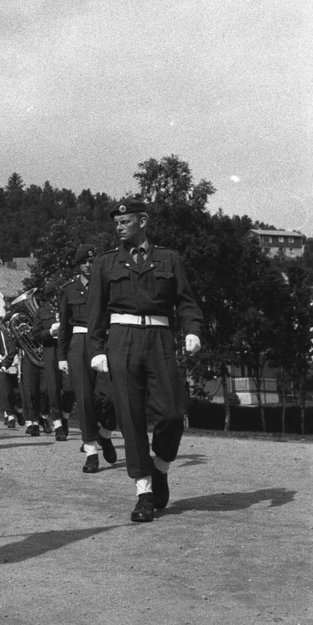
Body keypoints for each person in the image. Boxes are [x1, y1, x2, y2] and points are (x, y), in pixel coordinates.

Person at [87, 198, 202, 522]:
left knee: (173, 410)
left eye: (125, 221)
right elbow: (95, 312)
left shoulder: (169, 258)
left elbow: (186, 301)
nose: (119, 226)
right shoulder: (105, 264)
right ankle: (144, 491)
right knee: (130, 417)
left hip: (160, 341)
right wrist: (96, 350)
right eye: (116, 222)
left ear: (143, 221)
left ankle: (161, 466)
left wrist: (193, 330)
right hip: (122, 341)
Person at [58, 247, 117, 472]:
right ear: (78, 265)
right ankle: (91, 452)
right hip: (79, 344)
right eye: (84, 262)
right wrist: (61, 357)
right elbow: (64, 326)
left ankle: (105, 434)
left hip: (103, 342)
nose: (89, 266)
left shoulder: (106, 286)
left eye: (92, 261)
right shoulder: (68, 290)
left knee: (112, 396)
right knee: (83, 399)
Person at [6, 291, 49, 437]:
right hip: (28, 358)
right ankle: (34, 422)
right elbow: (14, 342)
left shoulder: (42, 318)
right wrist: (23, 335)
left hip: (45, 355)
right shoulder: (20, 322)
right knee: (30, 392)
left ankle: (44, 415)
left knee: (46, 390)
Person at [32, 280, 67, 438]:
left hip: (66, 348)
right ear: (48, 297)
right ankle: (58, 423)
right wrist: (49, 333)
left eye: (58, 295)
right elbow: (35, 335)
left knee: (70, 388)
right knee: (52, 389)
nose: (56, 298)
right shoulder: (41, 312)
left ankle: (65, 417)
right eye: (53, 295)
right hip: (50, 349)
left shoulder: (66, 307)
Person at [0, 315, 23, 428]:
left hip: (18, 366)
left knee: (21, 392)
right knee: (6, 392)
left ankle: (19, 410)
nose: (7, 326)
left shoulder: (18, 334)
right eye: (5, 324)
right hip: (5, 366)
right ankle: (10, 416)